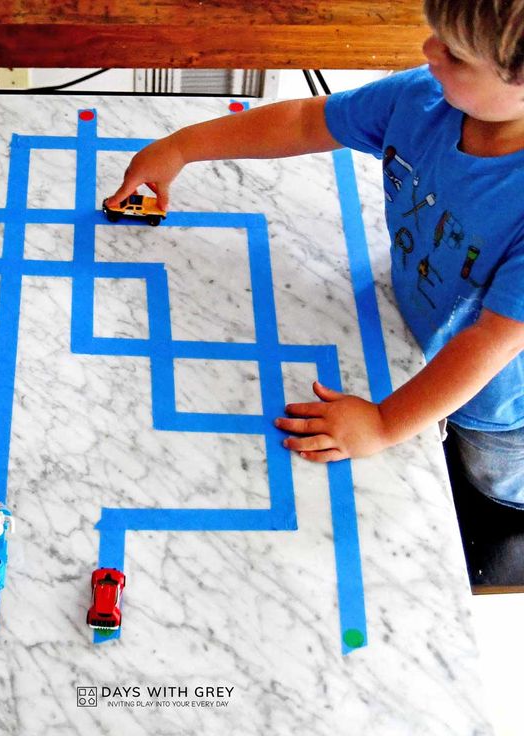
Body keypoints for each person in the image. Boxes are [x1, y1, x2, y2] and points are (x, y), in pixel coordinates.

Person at [106, 0, 524, 508]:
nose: (428, 51)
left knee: (493, 489)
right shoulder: (425, 97)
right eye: (436, 34)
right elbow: (308, 120)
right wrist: (183, 146)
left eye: (455, 55)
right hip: (410, 326)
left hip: (502, 406)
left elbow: (493, 341)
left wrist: (385, 422)